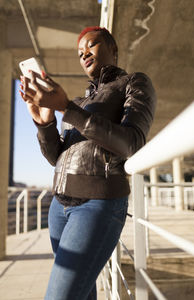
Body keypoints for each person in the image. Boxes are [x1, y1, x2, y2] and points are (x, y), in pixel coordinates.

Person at [19, 26, 156, 300]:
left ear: (113, 51)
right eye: (79, 52)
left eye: (91, 46)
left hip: (97, 205)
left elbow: (132, 142)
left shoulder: (134, 82)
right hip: (59, 208)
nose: (84, 54)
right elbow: (57, 157)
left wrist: (68, 109)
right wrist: (44, 121)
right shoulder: (81, 100)